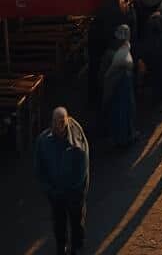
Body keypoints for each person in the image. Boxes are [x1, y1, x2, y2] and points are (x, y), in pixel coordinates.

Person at [34, 107, 89, 255]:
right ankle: (61, 246)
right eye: (55, 122)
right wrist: (49, 189)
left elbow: (82, 171)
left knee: (76, 219)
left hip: (74, 192)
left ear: (65, 122)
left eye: (61, 122)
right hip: (55, 192)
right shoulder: (43, 141)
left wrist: (73, 190)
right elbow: (40, 168)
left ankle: (76, 246)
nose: (58, 126)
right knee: (59, 221)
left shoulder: (77, 143)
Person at [101, 23, 137, 146]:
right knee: (125, 111)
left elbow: (103, 71)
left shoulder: (110, 50)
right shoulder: (123, 50)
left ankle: (116, 137)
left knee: (116, 111)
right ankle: (126, 136)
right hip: (122, 84)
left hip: (112, 85)